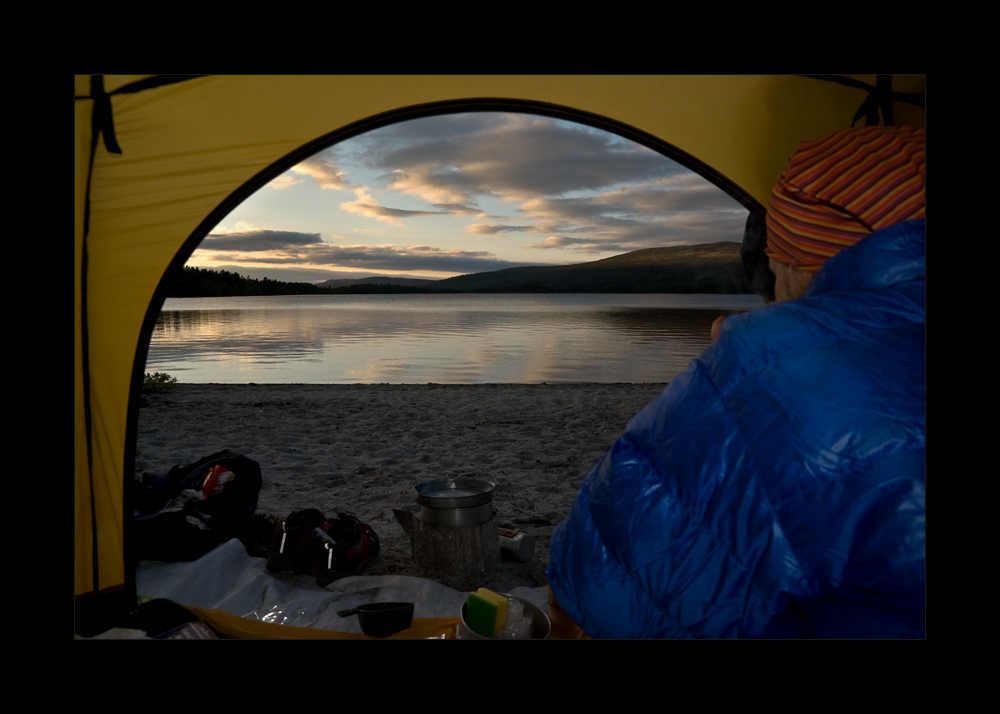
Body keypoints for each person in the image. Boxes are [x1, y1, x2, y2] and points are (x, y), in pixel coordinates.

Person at [546, 125, 925, 638]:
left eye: (775, 270)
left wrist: (734, 378)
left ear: (799, 258)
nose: (771, 290)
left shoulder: (773, 363)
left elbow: (600, 579)